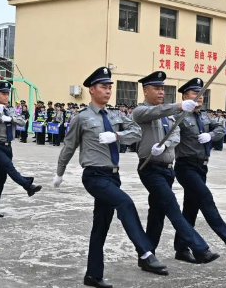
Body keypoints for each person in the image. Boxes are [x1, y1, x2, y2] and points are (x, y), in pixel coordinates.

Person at [54, 66, 168, 288]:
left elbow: (136, 133)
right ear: (91, 90)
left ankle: (93, 275)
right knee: (125, 202)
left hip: (113, 176)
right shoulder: (82, 118)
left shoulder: (116, 115)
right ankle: (145, 251)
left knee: (101, 226)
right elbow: (68, 147)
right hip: (94, 176)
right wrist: (60, 173)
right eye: (103, 87)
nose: (107, 91)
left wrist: (117, 135)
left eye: (109, 88)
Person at [133, 72, 218, 268]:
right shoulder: (141, 111)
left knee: (157, 214)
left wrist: (165, 144)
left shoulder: (168, 114)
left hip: (167, 169)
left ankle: (147, 256)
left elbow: (176, 135)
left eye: (163, 88)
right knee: (172, 206)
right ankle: (200, 249)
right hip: (150, 168)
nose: (161, 91)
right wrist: (180, 106)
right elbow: (155, 112)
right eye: (157, 88)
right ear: (146, 90)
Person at [174, 78, 226, 262]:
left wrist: (210, 135)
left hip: (201, 167)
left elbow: (220, 128)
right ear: (185, 96)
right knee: (206, 199)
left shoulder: (204, 116)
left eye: (201, 94)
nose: (199, 97)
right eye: (195, 93)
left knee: (190, 210)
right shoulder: (179, 117)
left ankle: (181, 249)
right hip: (186, 166)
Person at [0, 82, 41, 218]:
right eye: (3, 94)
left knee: (0, 178)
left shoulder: (10, 110)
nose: (6, 96)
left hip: (7, 146)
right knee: (9, 167)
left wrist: (10, 118)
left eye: (7, 93)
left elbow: (22, 121)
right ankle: (27, 185)